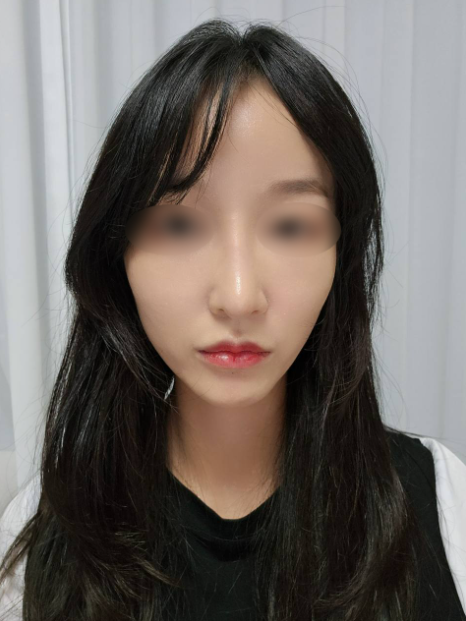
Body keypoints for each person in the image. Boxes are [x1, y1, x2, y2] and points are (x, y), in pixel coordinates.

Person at [1, 18, 465, 621]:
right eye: (179, 225)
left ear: (342, 255)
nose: (240, 297)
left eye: (290, 226)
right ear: (116, 256)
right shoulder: (45, 530)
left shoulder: (443, 503)